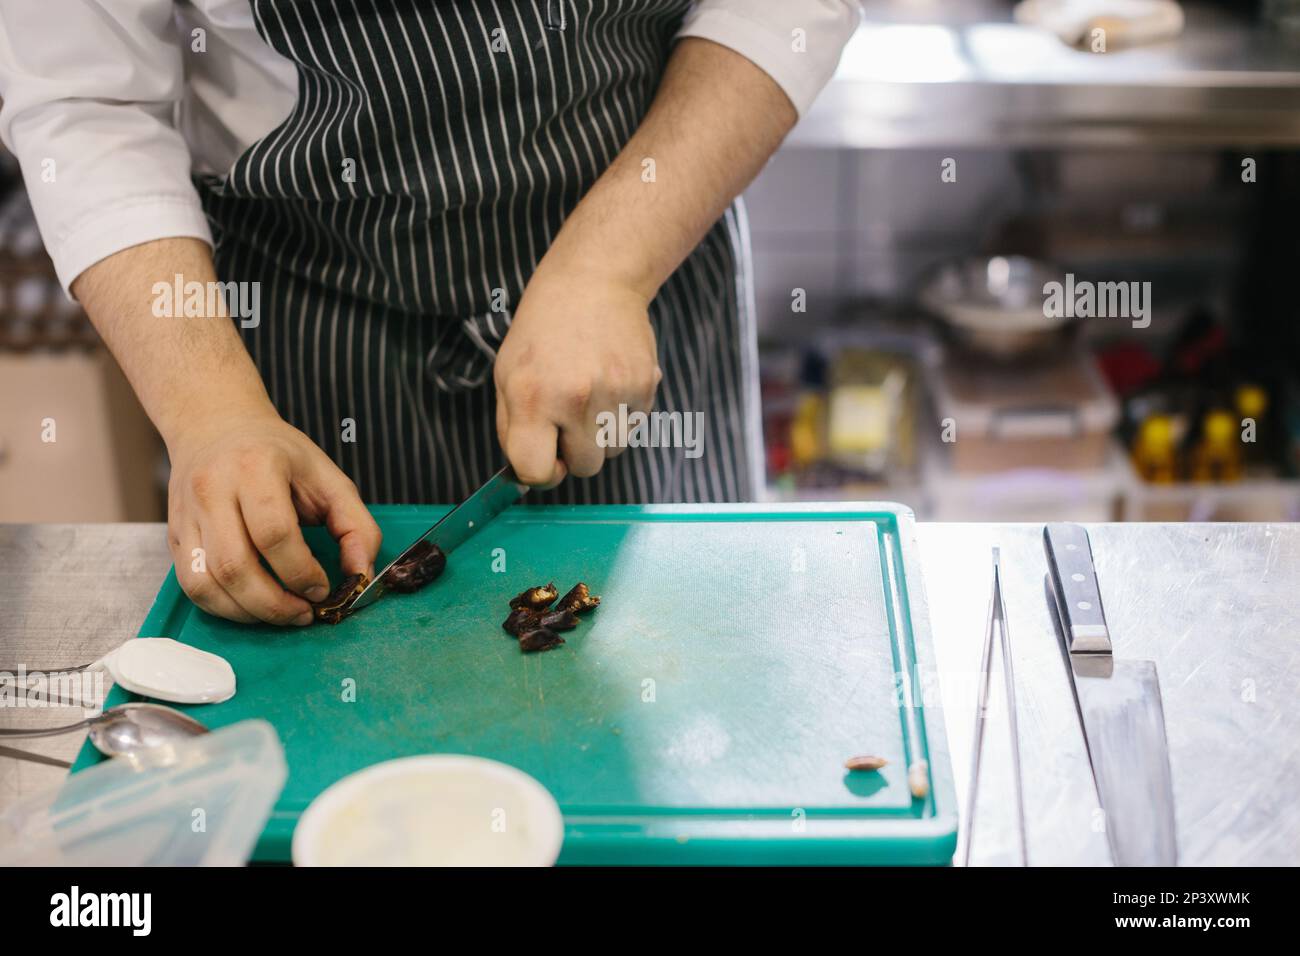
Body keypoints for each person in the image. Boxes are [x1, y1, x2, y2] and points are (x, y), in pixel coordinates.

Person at [0, 1, 859, 625]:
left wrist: (609, 268)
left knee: (682, 667)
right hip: (313, 331)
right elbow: (87, 101)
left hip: (644, 278)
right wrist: (211, 414)